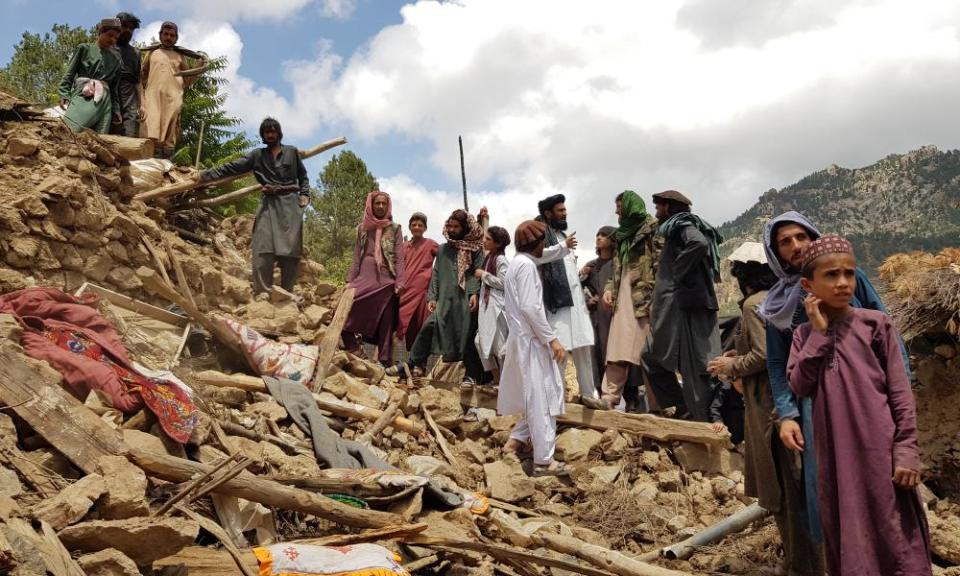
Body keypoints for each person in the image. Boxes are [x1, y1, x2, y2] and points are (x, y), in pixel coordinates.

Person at [761, 211, 910, 556]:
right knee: (833, 484)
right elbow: (777, 362)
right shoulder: (777, 306)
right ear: (776, 253)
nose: (797, 246)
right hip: (817, 405)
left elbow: (887, 333)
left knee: (884, 479)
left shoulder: (852, 281)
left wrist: (899, 388)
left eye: (801, 236)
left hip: (869, 397)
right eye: (786, 242)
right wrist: (787, 414)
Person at [788, 235, 931, 576]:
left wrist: (907, 449)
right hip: (836, 458)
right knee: (848, 532)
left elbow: (900, 393)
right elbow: (799, 385)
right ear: (809, 284)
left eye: (848, 274)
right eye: (831, 275)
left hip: (881, 452)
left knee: (896, 533)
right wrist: (820, 336)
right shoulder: (803, 336)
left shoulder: (875, 325)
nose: (842, 283)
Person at [707, 243, 820, 574]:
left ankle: (800, 565)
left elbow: (762, 356)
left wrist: (731, 367)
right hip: (786, 406)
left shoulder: (754, 304)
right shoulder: (783, 300)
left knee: (784, 492)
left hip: (769, 411)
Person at [198, 118, 309, 295]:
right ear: (263, 135)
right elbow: (232, 167)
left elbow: (303, 177)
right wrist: (206, 175)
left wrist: (305, 194)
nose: (270, 135)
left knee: (290, 250)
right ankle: (263, 292)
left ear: (279, 133)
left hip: (290, 204)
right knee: (262, 246)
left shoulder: (291, 152)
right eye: (266, 132)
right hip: (269, 203)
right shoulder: (257, 155)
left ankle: (286, 292)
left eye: (273, 131)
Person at [643, 190, 723, 421]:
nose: (657, 212)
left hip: (685, 311)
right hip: (678, 310)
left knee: (695, 370)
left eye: (659, 208)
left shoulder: (682, 224)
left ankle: (704, 424)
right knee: (650, 356)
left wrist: (676, 271)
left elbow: (697, 243)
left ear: (669, 208)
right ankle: (681, 406)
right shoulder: (676, 228)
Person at [499, 220, 569, 477]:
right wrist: (551, 339)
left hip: (523, 340)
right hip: (532, 341)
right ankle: (544, 461)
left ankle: (514, 442)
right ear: (536, 244)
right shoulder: (526, 266)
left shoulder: (517, 264)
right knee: (542, 400)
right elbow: (530, 307)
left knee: (533, 396)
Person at [403, 210, 484, 384]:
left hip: (465, 299)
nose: (452, 230)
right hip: (445, 298)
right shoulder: (443, 249)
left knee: (467, 335)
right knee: (430, 325)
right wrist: (432, 296)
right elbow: (436, 273)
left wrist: (474, 293)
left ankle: (471, 375)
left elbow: (476, 273)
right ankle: (411, 363)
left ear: (464, 228)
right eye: (450, 226)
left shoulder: (475, 249)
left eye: (456, 227)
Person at [596, 191, 659, 410]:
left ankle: (658, 405)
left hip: (644, 298)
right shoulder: (622, 235)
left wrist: (656, 295)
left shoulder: (652, 229)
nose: (616, 212)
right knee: (616, 350)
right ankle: (609, 398)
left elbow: (659, 264)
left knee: (650, 355)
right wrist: (609, 289)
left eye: (619, 207)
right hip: (623, 299)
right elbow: (616, 268)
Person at [535, 195, 600, 404]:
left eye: (564, 210)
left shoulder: (562, 235)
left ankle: (589, 395)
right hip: (556, 304)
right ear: (548, 213)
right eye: (560, 210)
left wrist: (581, 275)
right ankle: (556, 399)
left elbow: (568, 270)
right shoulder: (539, 233)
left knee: (583, 349)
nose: (564, 213)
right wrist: (562, 247)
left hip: (576, 304)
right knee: (559, 351)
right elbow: (536, 256)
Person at [342, 191, 405, 365]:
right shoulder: (362, 228)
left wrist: (400, 282)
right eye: (377, 203)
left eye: (384, 204)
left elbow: (399, 257)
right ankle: (353, 347)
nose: (380, 206)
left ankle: (384, 360)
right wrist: (350, 280)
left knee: (386, 318)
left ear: (388, 206)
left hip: (387, 279)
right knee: (344, 310)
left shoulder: (395, 228)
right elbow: (357, 255)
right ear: (371, 204)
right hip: (365, 276)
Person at [140, 21, 205, 158]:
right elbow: (142, 76)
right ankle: (149, 160)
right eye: (166, 34)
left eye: (172, 35)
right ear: (160, 35)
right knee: (150, 128)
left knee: (170, 131)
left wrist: (198, 67)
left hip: (173, 99)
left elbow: (187, 80)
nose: (168, 37)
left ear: (176, 38)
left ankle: (166, 162)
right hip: (153, 98)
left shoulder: (180, 56)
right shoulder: (152, 52)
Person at [58, 18, 122, 134]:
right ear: (100, 32)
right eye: (110, 35)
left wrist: (116, 110)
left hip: (105, 102)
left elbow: (114, 89)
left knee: (98, 141)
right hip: (85, 94)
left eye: (116, 38)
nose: (112, 40)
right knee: (70, 131)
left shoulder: (117, 61)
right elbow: (69, 73)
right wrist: (64, 93)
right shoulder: (84, 49)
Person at [395, 213, 439, 352]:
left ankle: (418, 364)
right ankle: (386, 359)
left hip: (422, 292)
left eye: (420, 225)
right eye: (414, 225)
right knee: (398, 324)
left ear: (425, 228)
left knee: (420, 325)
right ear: (410, 227)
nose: (417, 227)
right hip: (404, 291)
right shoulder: (404, 246)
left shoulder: (430, 244)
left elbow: (446, 256)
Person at [581, 226, 617, 390]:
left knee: (616, 354)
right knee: (596, 353)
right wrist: (588, 300)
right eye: (597, 234)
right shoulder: (591, 266)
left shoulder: (619, 263)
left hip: (615, 315)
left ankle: (631, 398)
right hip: (596, 316)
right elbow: (577, 288)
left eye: (604, 235)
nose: (599, 237)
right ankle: (598, 391)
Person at [474, 226, 511, 384]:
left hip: (497, 307)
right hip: (486, 307)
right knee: (480, 342)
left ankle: (504, 383)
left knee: (500, 347)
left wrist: (484, 275)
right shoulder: (489, 258)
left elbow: (504, 283)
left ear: (497, 243)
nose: (484, 241)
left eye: (488, 239)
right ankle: (497, 379)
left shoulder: (501, 260)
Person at [110, 12, 143, 137]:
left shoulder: (136, 53)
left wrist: (142, 105)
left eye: (131, 28)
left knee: (128, 133)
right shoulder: (108, 47)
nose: (128, 30)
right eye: (125, 26)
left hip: (129, 98)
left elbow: (138, 82)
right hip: (109, 95)